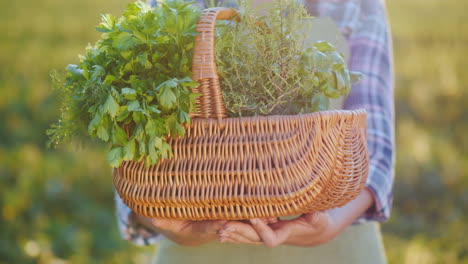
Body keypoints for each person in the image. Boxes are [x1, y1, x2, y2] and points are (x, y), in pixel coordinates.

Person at [115, 0, 394, 262]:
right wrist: (173, 227)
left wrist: (330, 224)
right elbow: (135, 148)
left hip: (335, 245)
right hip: (199, 255)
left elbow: (375, 144)